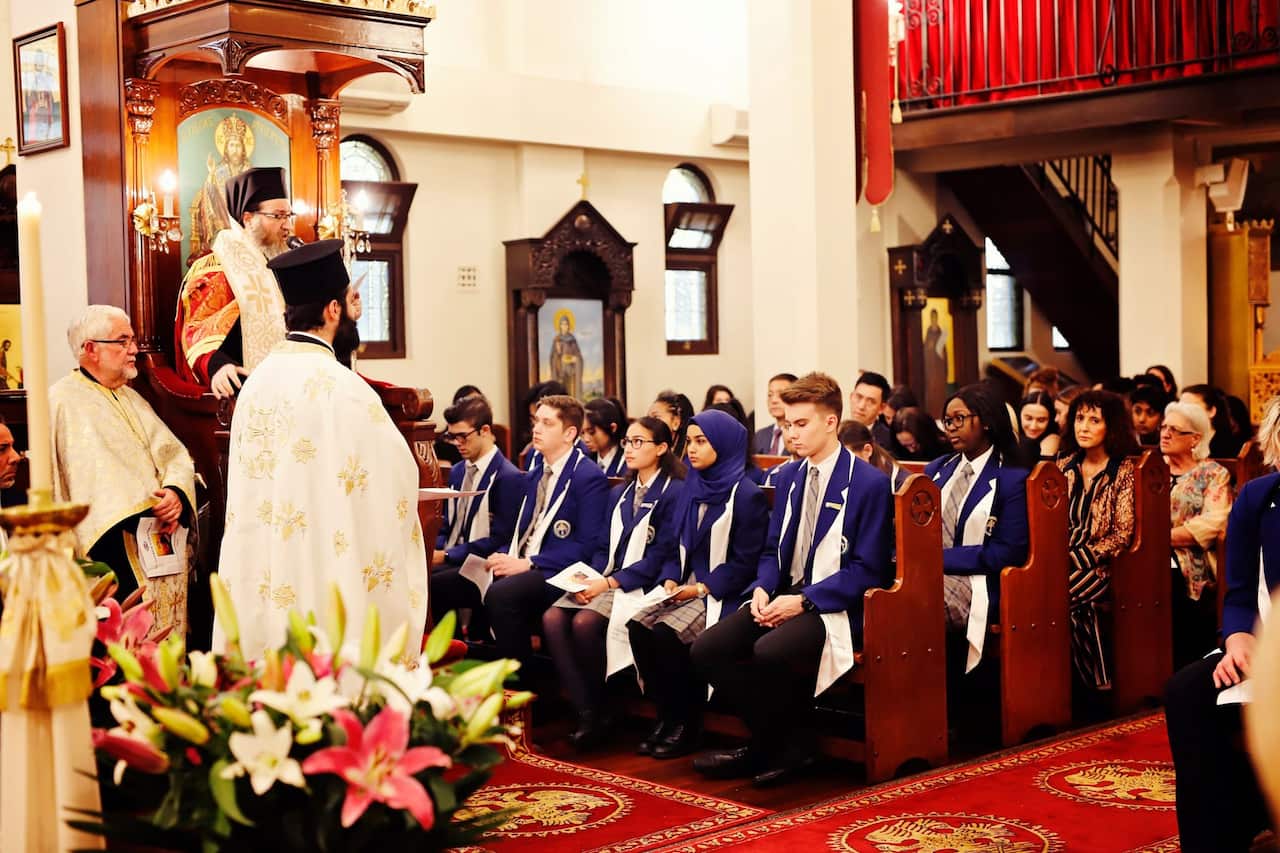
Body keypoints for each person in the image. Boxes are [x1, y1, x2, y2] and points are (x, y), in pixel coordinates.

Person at [213, 241, 428, 659]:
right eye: (350, 301)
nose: (353, 312)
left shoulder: (256, 383)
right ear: (333, 310)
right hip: (322, 566)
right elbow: (397, 476)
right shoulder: (345, 389)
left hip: (263, 567)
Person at [691, 373, 894, 785]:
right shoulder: (787, 477)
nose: (790, 434)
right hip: (784, 595)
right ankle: (775, 741)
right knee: (709, 648)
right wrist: (764, 588)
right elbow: (772, 551)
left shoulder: (868, 483)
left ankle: (782, 747)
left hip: (838, 604)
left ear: (831, 422)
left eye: (801, 424)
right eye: (787, 424)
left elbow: (868, 570)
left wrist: (804, 601)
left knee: (770, 651)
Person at [1164, 395, 1280, 853]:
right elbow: (1238, 591)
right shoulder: (1258, 496)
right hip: (1264, 643)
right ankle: (1215, 836)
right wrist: (1237, 639)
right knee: (1186, 690)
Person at [627, 409, 768, 759]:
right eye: (689, 441)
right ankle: (666, 715)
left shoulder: (745, 493)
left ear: (724, 444)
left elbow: (745, 563)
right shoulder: (691, 486)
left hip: (723, 592)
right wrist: (671, 578)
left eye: (701, 442)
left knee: (666, 633)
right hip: (686, 586)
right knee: (638, 626)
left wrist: (702, 588)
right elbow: (677, 545)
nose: (691, 449)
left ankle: (687, 725)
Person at [50, 306, 196, 636]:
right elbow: (65, 481)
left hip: (161, 537)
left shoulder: (133, 399)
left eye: (133, 340)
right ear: (90, 349)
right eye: (122, 341)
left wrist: (175, 492)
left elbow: (173, 454)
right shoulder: (62, 401)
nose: (134, 349)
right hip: (109, 546)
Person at [542, 417, 685, 751]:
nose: (631, 449)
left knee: (585, 621)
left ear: (662, 448)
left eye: (640, 442)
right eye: (628, 442)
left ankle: (606, 709)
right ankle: (587, 710)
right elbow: (603, 547)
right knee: (552, 617)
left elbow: (662, 555)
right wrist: (585, 578)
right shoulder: (620, 492)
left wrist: (608, 582)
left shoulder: (674, 492)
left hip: (640, 583)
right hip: (608, 577)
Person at [435, 395, 609, 668]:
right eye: (536, 421)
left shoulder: (588, 476)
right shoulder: (537, 470)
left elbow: (586, 546)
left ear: (569, 433)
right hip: (525, 561)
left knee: (502, 594)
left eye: (547, 423)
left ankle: (522, 688)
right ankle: (451, 669)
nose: (537, 429)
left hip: (557, 570)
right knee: (438, 585)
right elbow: (523, 531)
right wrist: (502, 555)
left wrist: (528, 563)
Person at [929, 383, 1030, 674]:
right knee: (882, 591)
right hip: (929, 573)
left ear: (985, 420)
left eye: (959, 418)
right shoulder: (937, 469)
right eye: (947, 421)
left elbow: (1006, 552)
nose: (951, 427)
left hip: (982, 583)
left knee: (910, 601)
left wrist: (936, 560)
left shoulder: (1011, 478)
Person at [176, 167, 293, 398]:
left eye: (289, 216)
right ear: (248, 219)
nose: (287, 226)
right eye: (278, 216)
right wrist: (217, 366)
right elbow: (198, 330)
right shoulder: (216, 265)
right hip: (242, 388)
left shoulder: (280, 266)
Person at [1056, 389, 1138, 691]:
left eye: (1094, 420)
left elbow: (1121, 534)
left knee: (1058, 595)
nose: (1084, 427)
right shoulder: (1063, 465)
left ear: (1111, 426)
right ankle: (1078, 683)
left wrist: (1076, 558)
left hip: (1104, 565)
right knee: (1040, 593)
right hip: (1058, 558)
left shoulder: (1124, 470)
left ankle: (1091, 684)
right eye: (1079, 418)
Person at [1162, 401, 1233, 668]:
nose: (1165, 434)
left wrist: (1162, 538)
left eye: (1175, 430)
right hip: (1143, 554)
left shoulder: (1213, 473)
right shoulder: (1149, 469)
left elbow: (1216, 520)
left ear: (1195, 438)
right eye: (1164, 427)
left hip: (1191, 560)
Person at [433, 394, 521, 568]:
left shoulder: (508, 476)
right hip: (450, 555)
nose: (457, 443)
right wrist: (433, 550)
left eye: (463, 436)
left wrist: (447, 555)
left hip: (479, 563)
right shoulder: (458, 471)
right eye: (452, 437)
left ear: (485, 431)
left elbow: (500, 539)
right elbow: (446, 525)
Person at [516, 380, 568, 469]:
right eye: (534, 419)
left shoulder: (584, 457)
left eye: (545, 421)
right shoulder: (532, 452)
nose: (536, 428)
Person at [1181, 383, 1242, 459]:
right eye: (1180, 407)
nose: (1183, 412)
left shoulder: (1228, 446)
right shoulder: (1178, 440)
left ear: (1211, 411)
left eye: (1191, 407)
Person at [752, 373, 797, 455]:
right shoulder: (760, 435)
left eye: (781, 394)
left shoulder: (800, 434)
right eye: (770, 395)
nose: (774, 400)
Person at [583, 397, 627, 477]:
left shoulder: (626, 460)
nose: (586, 439)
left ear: (612, 428)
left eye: (591, 432)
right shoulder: (584, 460)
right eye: (582, 433)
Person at [849, 371, 893, 448]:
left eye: (870, 402)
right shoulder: (835, 432)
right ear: (851, 396)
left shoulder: (889, 440)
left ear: (881, 408)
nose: (861, 406)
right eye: (859, 397)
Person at [648, 390, 695, 458]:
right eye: (648, 418)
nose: (649, 422)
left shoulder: (691, 457)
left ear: (676, 423)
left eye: (656, 417)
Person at [1018, 390, 1060, 464]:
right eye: (1028, 418)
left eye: (1041, 420)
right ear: (1019, 415)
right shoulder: (1010, 432)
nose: (1033, 426)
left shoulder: (1053, 439)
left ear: (1050, 420)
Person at [549, 313, 583, 399]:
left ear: (569, 326)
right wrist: (559, 354)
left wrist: (574, 359)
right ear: (560, 326)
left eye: (566, 324)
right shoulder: (557, 340)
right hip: (560, 372)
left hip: (571, 371)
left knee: (571, 394)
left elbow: (579, 357)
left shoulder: (572, 340)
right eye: (562, 324)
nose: (564, 326)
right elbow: (552, 357)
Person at [1130, 383, 1168, 447]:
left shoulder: (1168, 445)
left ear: (1162, 417)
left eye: (1150, 413)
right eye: (1137, 411)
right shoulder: (1124, 444)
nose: (1142, 419)